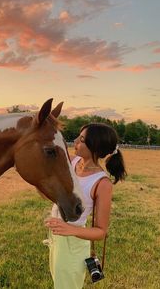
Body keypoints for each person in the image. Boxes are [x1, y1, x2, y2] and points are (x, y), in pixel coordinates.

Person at [45, 122, 127, 289]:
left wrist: (70, 230)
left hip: (73, 243)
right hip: (56, 237)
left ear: (95, 147)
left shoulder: (102, 183)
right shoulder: (73, 162)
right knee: (58, 281)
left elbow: (100, 231)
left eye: (81, 139)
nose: (75, 141)